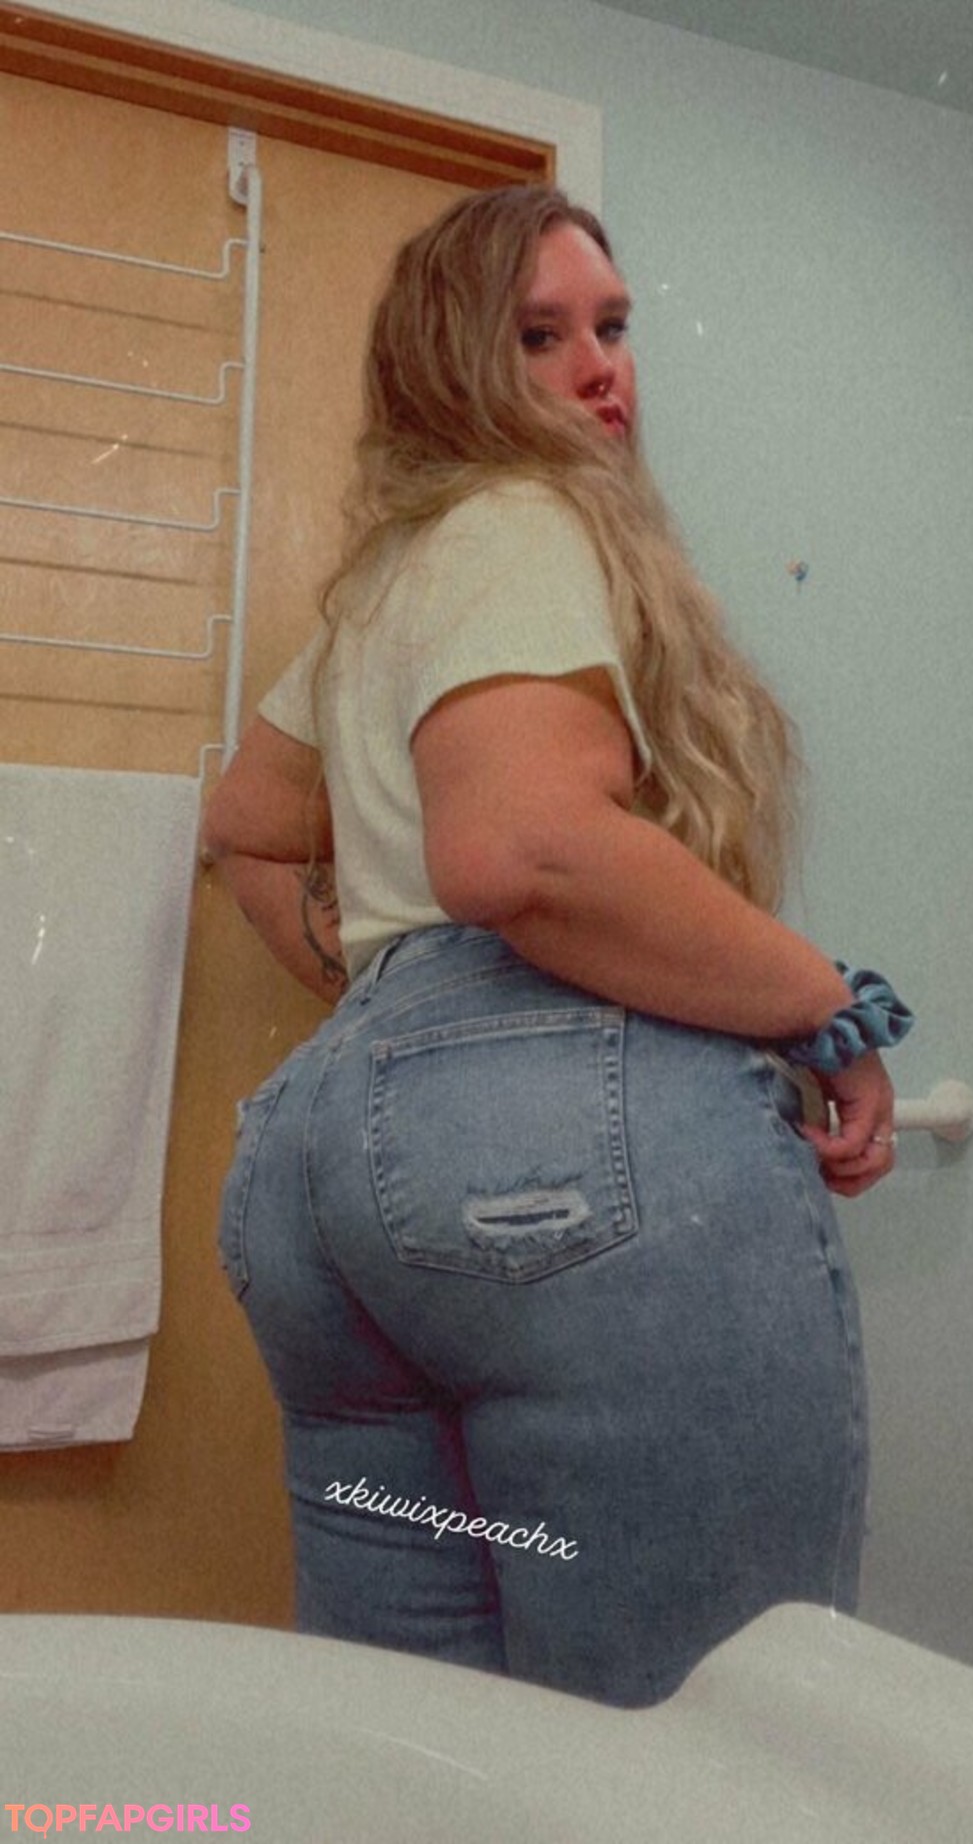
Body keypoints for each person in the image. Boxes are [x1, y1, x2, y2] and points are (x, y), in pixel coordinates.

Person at [202, 184, 912, 1709]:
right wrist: (827, 1007)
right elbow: (518, 848)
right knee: (702, 1737)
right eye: (540, 336)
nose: (601, 368)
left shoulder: (385, 590)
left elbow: (245, 826)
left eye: (613, 326)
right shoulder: (527, 518)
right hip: (550, 1179)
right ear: (455, 363)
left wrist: (389, 1011)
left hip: (329, 1212)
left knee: (429, 1746)